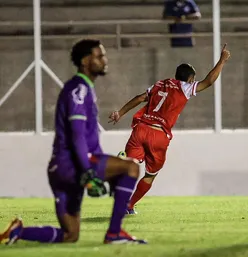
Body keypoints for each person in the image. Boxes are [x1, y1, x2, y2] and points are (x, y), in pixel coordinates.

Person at [0, 39, 146, 245]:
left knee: (70, 235)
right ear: (86, 61)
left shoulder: (82, 88)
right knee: (131, 168)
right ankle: (114, 234)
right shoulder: (79, 90)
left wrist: (108, 173)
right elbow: (77, 135)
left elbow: (87, 139)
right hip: (72, 165)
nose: (105, 60)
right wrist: (88, 171)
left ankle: (19, 231)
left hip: (59, 169)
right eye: (99, 56)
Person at [109, 44, 231, 214]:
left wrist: (120, 112)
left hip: (141, 128)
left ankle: (123, 163)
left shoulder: (159, 84)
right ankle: (128, 206)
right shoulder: (185, 87)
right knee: (150, 174)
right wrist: (222, 60)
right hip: (158, 134)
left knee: (132, 166)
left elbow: (140, 98)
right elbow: (209, 81)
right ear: (190, 79)